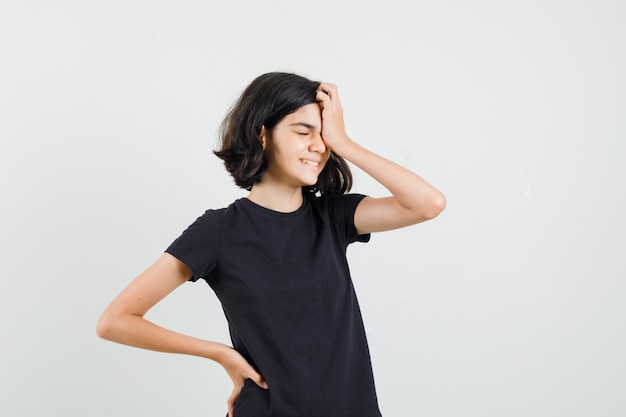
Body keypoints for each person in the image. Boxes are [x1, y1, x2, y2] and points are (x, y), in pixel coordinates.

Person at [96, 72, 446, 417]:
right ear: (262, 134)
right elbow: (115, 321)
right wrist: (221, 354)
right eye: (303, 130)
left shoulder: (334, 217)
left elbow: (428, 203)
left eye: (323, 134)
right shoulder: (218, 231)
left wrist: (344, 142)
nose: (319, 145)